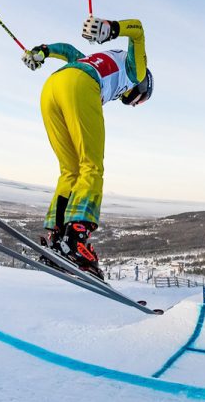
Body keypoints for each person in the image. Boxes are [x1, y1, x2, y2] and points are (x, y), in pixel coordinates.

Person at [21, 15, 153, 278]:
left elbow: (68, 51)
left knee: (69, 170)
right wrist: (112, 28)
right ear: (143, 87)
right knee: (91, 166)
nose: (134, 103)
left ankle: (58, 236)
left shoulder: (91, 59)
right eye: (140, 100)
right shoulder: (135, 71)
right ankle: (76, 240)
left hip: (52, 88)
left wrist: (42, 52)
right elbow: (137, 31)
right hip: (82, 86)